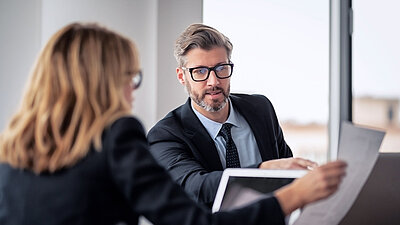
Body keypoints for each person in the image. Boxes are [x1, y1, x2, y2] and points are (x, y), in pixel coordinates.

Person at [0, 22, 346, 225]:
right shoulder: (127, 136)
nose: (132, 92)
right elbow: (193, 215)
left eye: (221, 69)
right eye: (129, 78)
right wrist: (292, 195)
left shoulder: (12, 149)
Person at [147, 23, 317, 207]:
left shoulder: (261, 109)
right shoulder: (165, 135)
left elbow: (285, 170)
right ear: (182, 76)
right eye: (200, 71)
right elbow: (195, 187)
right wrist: (261, 171)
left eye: (221, 68)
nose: (214, 81)